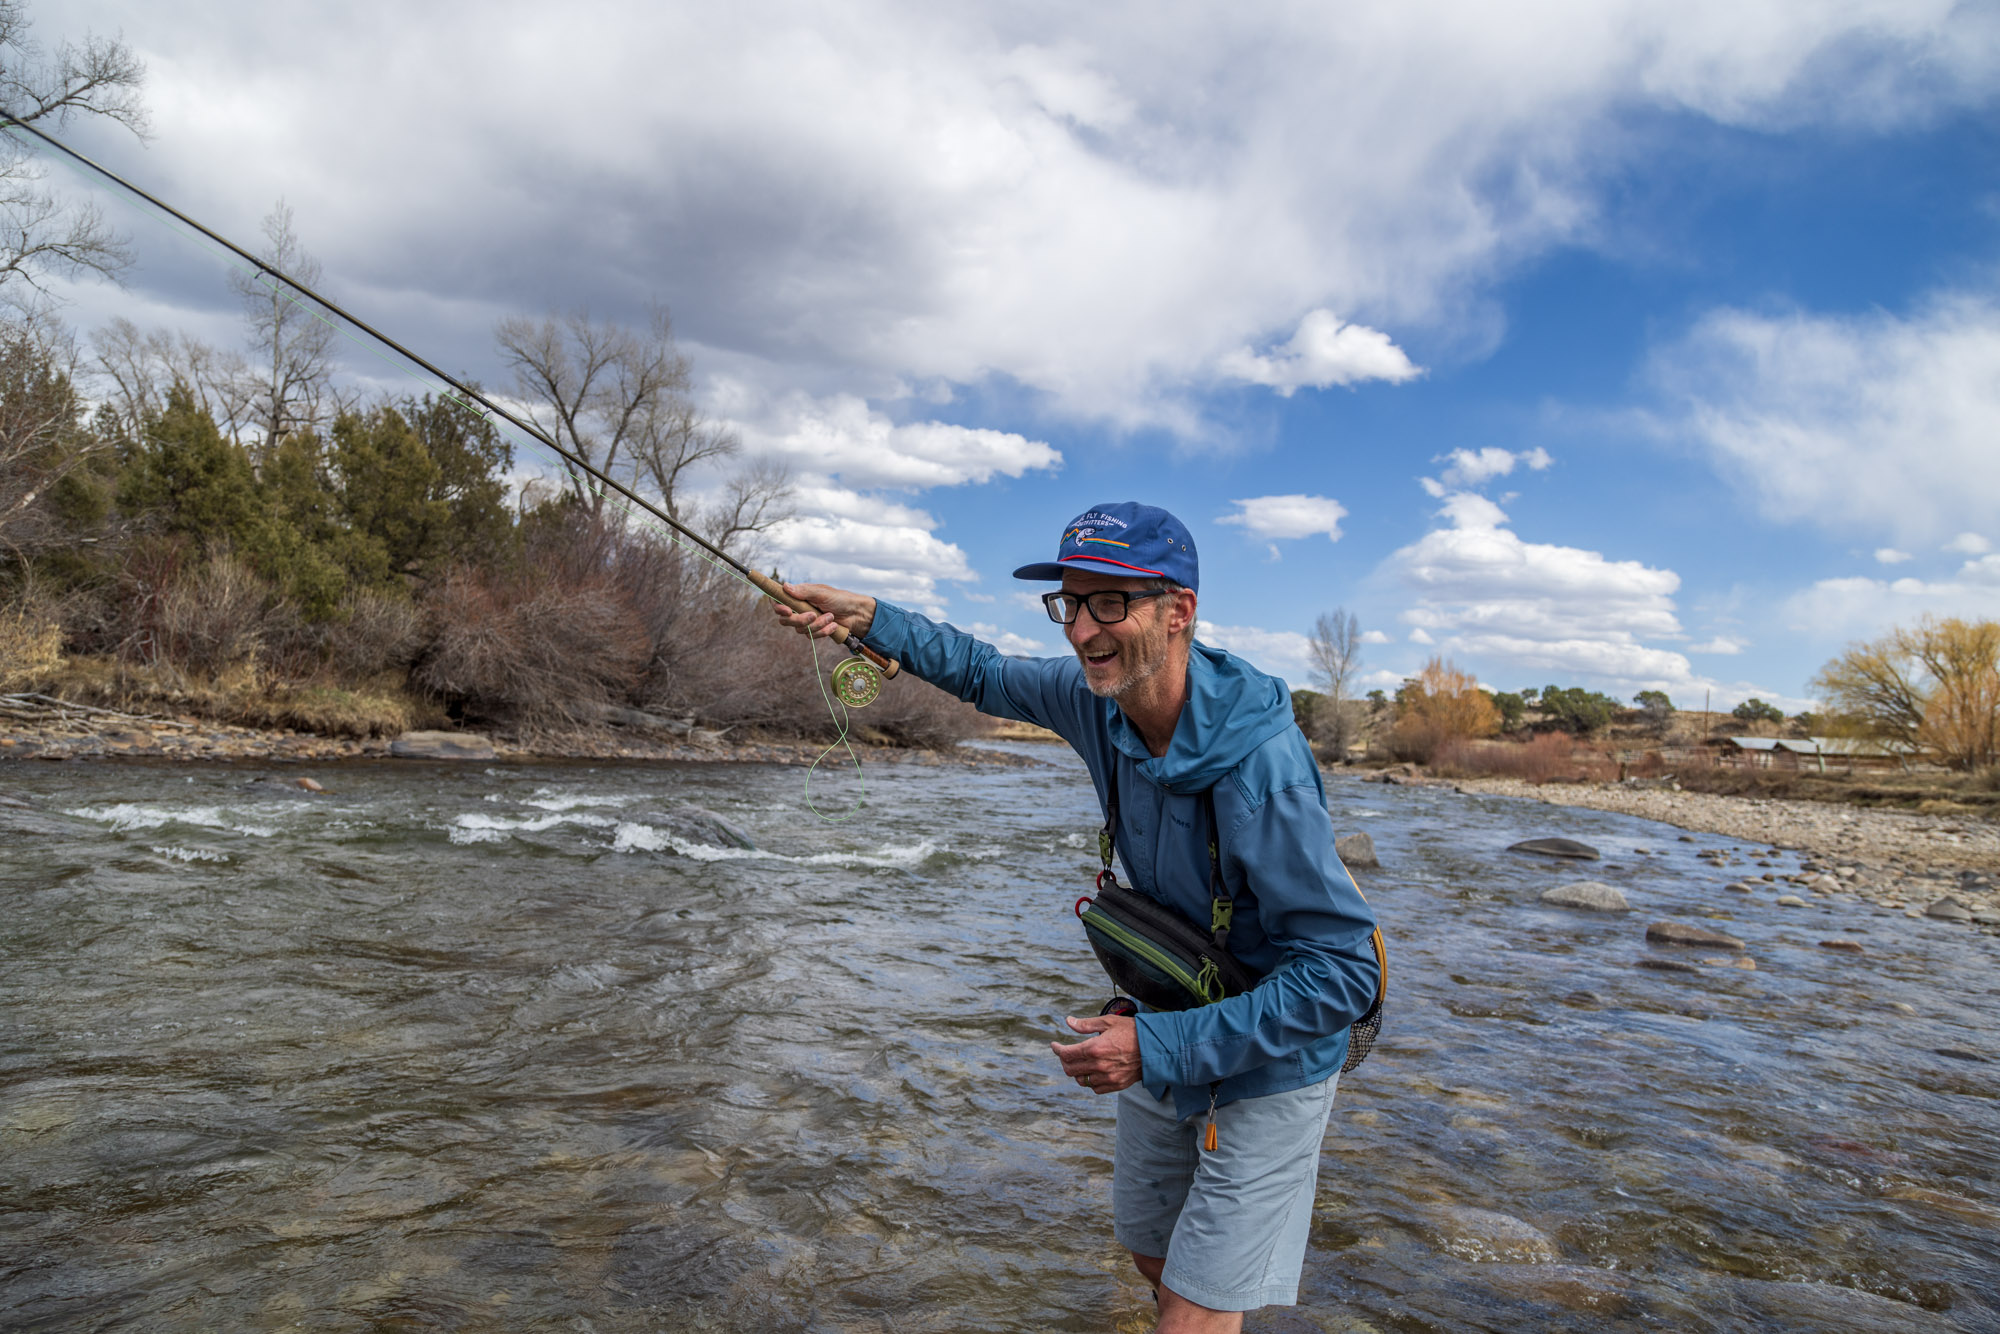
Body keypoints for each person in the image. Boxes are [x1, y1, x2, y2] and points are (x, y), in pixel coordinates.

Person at [772, 501, 1380, 1333]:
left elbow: (1347, 974)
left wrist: (1153, 1046)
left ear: (1179, 613)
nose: (1083, 631)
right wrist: (872, 617)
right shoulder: (1096, 698)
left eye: (1109, 603)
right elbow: (982, 671)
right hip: (1178, 1009)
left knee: (1197, 1307)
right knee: (1154, 1256)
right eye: (1070, 602)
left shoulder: (1262, 774)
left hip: (1276, 1053)